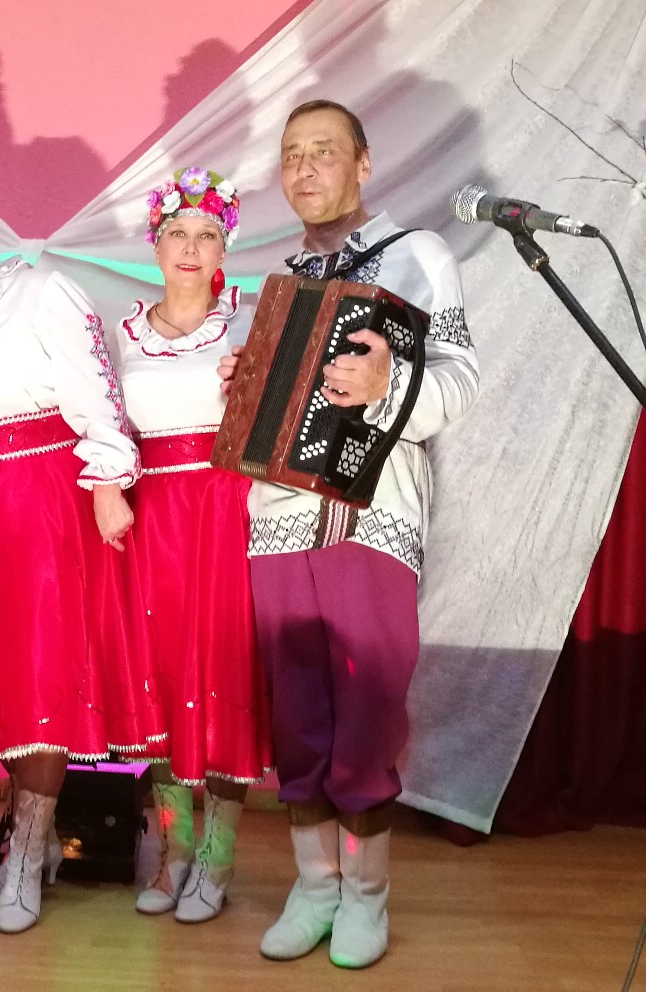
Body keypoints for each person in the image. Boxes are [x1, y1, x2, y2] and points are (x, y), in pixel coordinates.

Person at [219, 100, 480, 968]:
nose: (305, 168)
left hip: (374, 514)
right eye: (292, 154)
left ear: (363, 164)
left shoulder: (418, 255)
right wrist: (243, 382)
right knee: (297, 711)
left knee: (368, 711)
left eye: (324, 151)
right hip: (279, 519)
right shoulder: (277, 281)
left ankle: (366, 894)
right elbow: (265, 406)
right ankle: (315, 886)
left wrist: (385, 383)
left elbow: (460, 378)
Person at [0, 151, 160, 934]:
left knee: (43, 677)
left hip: (44, 506)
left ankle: (30, 854)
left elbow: (97, 394)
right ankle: (23, 837)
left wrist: (109, 482)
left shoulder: (43, 290)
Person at [114, 167, 271, 923]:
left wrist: (255, 388)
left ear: (223, 249)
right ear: (155, 243)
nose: (189, 246)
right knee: (159, 678)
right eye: (176, 232)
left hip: (224, 509)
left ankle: (219, 854)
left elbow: (279, 421)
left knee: (225, 672)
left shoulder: (247, 323)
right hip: (152, 518)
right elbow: (109, 431)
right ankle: (175, 849)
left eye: (206, 234)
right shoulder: (121, 332)